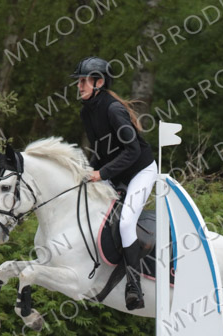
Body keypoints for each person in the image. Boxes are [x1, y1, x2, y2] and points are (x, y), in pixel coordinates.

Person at [71, 56, 157, 311]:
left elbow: (132, 151)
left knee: (127, 222)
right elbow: (101, 150)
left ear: (99, 82)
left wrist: (102, 173)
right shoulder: (87, 111)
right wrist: (88, 173)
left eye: (84, 81)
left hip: (140, 171)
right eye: (79, 81)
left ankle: (134, 286)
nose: (79, 86)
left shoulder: (113, 110)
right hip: (116, 172)